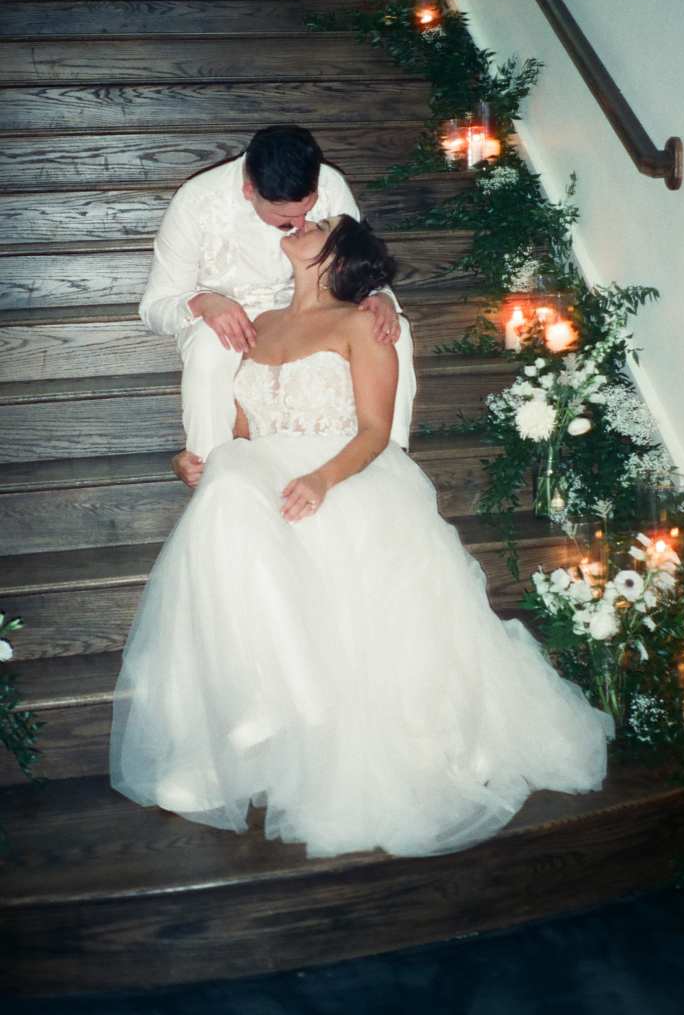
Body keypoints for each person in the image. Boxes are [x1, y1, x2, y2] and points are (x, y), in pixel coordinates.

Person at [110, 216, 613, 859]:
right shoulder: (259, 325)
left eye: (320, 223)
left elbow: (376, 430)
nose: (306, 222)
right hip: (264, 475)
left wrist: (321, 480)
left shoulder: (363, 324)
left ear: (335, 256)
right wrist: (194, 461)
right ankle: (268, 700)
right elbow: (241, 432)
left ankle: (287, 706)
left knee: (245, 500)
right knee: (226, 485)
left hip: (341, 474)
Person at [138, 124, 415, 478]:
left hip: (314, 307)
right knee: (211, 346)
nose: (301, 223)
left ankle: (390, 461)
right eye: (286, 218)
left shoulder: (330, 183)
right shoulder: (195, 201)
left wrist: (381, 296)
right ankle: (210, 469)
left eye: (309, 210)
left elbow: (355, 254)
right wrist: (204, 302)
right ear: (249, 191)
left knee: (390, 329)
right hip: (226, 317)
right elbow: (154, 308)